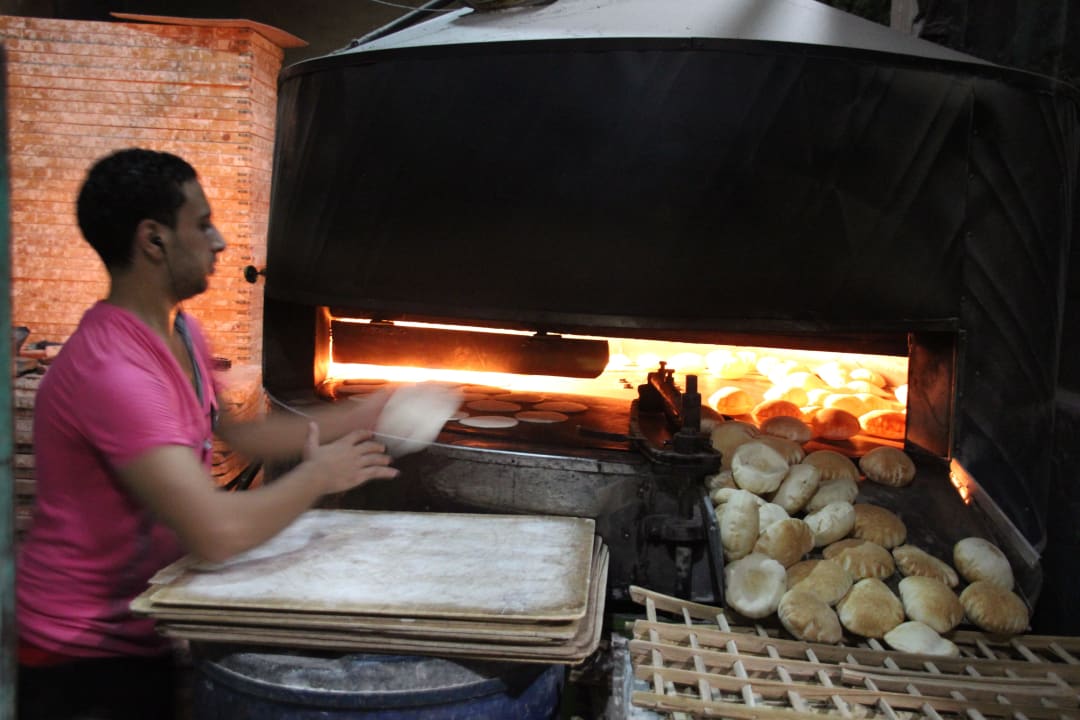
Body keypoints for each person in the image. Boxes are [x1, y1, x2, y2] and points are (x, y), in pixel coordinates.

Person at [15, 148, 402, 719]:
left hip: (145, 625)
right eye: (201, 224)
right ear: (153, 240)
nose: (220, 241)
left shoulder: (182, 333)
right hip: (79, 657)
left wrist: (377, 411)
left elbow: (238, 438)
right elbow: (215, 532)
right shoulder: (115, 371)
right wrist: (321, 475)